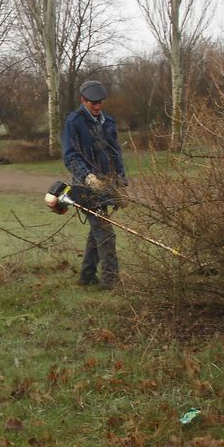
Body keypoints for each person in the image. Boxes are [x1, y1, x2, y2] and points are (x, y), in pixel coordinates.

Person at [61, 80, 128, 290]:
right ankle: (110, 281)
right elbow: (70, 156)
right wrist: (88, 177)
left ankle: (87, 276)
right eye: (93, 103)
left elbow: (115, 151)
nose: (97, 107)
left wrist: (121, 179)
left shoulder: (108, 121)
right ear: (83, 100)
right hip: (85, 187)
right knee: (105, 230)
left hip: (107, 183)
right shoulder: (74, 122)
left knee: (97, 230)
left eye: (100, 102)